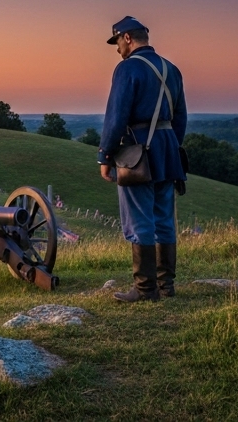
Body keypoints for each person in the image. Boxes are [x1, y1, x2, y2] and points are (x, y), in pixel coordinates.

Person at [97, 16, 187, 303]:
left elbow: (116, 117)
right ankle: (166, 286)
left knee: (139, 220)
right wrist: (171, 146)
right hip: (168, 151)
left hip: (137, 152)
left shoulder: (127, 69)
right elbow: (180, 118)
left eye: (117, 43)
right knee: (164, 218)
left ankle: (146, 290)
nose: (117, 50)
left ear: (127, 38)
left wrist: (106, 155)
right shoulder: (171, 69)